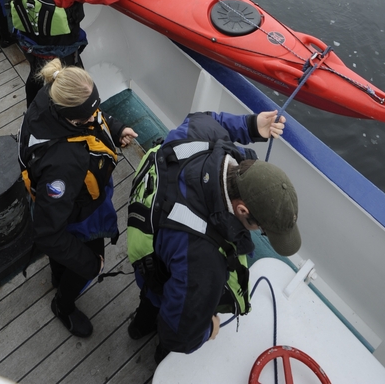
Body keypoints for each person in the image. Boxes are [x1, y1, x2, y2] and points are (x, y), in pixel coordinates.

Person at [126, 108, 300, 364]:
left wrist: (251, 125)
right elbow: (179, 335)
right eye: (262, 229)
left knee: (150, 301)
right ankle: (158, 357)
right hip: (167, 274)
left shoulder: (199, 134)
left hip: (151, 253)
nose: (259, 233)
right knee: (168, 324)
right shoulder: (204, 262)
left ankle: (138, 326)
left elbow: (207, 118)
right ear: (242, 210)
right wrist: (209, 328)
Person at [18, 59, 137, 338]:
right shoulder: (61, 165)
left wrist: (116, 128)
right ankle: (63, 304)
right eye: (86, 117)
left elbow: (93, 116)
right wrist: (89, 264)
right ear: (71, 117)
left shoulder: (52, 93)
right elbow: (48, 233)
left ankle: (59, 275)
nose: (94, 117)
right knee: (86, 260)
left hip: (73, 198)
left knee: (64, 260)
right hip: (75, 210)